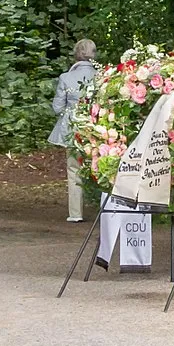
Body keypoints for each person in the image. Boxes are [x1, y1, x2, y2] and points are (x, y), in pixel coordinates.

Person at [50, 39, 99, 222]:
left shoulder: (65, 77)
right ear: (93, 54)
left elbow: (56, 108)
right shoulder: (100, 76)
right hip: (97, 128)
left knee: (74, 169)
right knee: (102, 167)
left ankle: (76, 214)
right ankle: (108, 211)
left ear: (76, 54)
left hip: (72, 129)